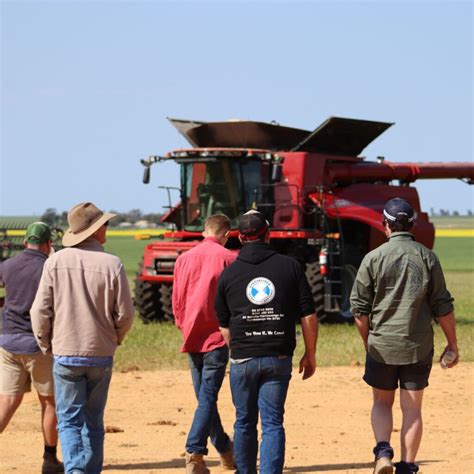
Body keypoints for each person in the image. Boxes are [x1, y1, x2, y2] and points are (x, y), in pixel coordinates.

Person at [350, 198, 459, 474]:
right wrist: (452, 344)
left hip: (382, 345)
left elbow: (359, 312)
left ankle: (383, 452)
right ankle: (408, 466)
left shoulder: (372, 258)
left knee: (381, 402)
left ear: (384, 225)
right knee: (412, 410)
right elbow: (443, 306)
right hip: (417, 346)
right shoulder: (427, 256)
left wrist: (369, 342)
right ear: (411, 225)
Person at [31, 202, 135, 474]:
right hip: (101, 353)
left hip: (65, 352)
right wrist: (115, 339)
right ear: (96, 230)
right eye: (105, 225)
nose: (107, 229)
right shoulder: (113, 263)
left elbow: (40, 310)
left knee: (69, 420)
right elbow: (125, 314)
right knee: (94, 421)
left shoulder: (55, 262)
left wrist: (46, 343)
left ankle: (76, 470)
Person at [215, 210, 318, 474]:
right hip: (278, 357)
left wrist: (238, 351)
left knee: (244, 422)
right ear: (268, 234)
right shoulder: (290, 266)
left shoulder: (229, 274)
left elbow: (224, 325)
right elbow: (308, 313)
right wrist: (310, 353)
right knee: (272, 423)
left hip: (243, 359)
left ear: (240, 237)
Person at [172, 214, 236, 474]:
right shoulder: (230, 258)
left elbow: (177, 301)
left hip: (191, 335)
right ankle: (195, 452)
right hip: (217, 337)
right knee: (207, 398)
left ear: (204, 232)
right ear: (227, 234)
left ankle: (224, 449)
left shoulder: (183, 258)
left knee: (204, 398)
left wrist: (184, 325)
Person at [0, 222, 64, 473]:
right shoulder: (50, 266)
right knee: (49, 402)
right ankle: (49, 459)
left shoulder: (8, 265)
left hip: (7, 343)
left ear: (26, 242)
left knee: (7, 401)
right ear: (48, 244)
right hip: (40, 345)